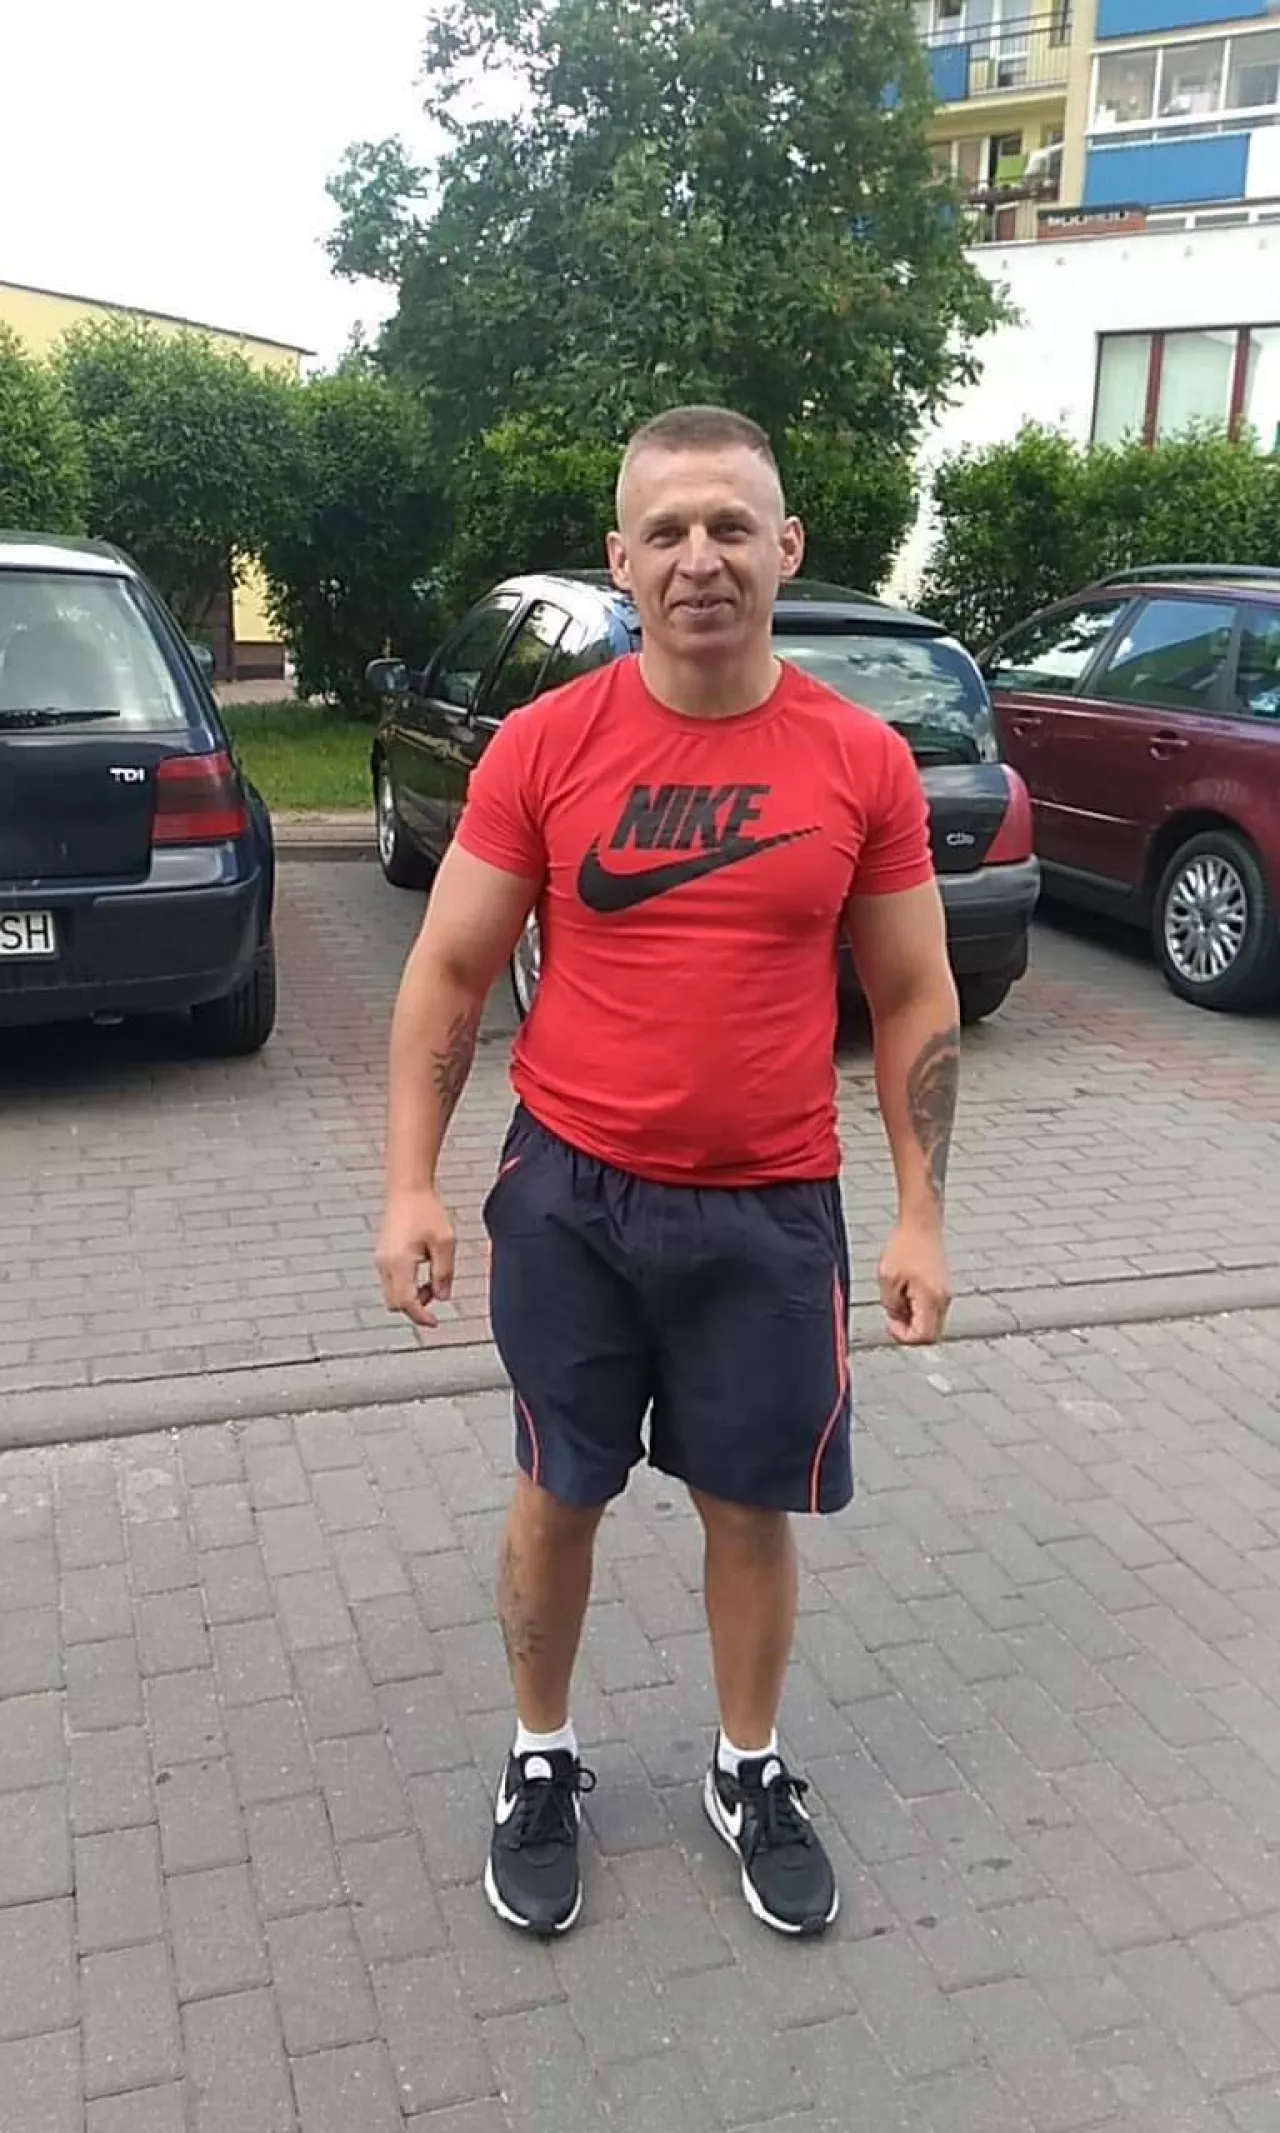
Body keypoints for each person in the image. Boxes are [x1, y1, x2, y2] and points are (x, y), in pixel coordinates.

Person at [376, 405, 958, 1941]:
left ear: (787, 549)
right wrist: (411, 1185)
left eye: (731, 527)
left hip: (771, 1213)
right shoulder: (548, 746)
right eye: (669, 532)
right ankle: (541, 1757)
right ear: (622, 562)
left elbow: (914, 996)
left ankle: (748, 1767)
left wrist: (920, 1212)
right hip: (571, 1198)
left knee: (749, 1508)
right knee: (557, 1492)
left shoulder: (861, 761)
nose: (701, 558)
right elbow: (449, 973)